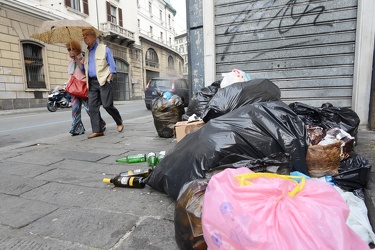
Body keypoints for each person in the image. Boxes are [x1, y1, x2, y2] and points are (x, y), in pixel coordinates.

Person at [81, 28, 124, 139]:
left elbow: (112, 66)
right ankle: (98, 130)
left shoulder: (104, 49)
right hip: (92, 82)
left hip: (104, 80)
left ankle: (119, 121)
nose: (85, 37)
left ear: (94, 37)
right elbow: (83, 68)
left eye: (87, 35)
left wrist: (110, 77)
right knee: (92, 107)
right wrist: (76, 58)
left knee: (107, 105)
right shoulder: (86, 53)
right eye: (83, 35)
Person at [65, 41, 92, 135]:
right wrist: (66, 85)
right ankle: (77, 129)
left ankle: (100, 124)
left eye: (73, 49)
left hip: (83, 88)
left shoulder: (84, 59)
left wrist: (76, 59)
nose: (71, 51)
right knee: (75, 110)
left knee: (89, 109)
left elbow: (85, 71)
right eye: (69, 49)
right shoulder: (70, 63)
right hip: (74, 89)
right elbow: (70, 76)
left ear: (78, 50)